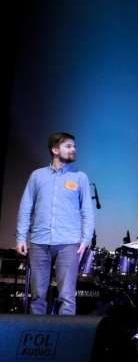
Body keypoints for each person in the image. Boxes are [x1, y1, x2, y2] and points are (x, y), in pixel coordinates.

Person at [16, 132, 95, 316]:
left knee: (67, 297)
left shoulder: (80, 177)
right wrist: (21, 237)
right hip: (40, 242)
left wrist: (85, 240)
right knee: (37, 296)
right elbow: (26, 207)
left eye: (74, 146)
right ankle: (37, 332)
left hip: (68, 243)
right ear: (55, 150)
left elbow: (87, 211)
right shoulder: (37, 176)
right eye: (68, 146)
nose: (73, 149)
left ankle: (64, 335)